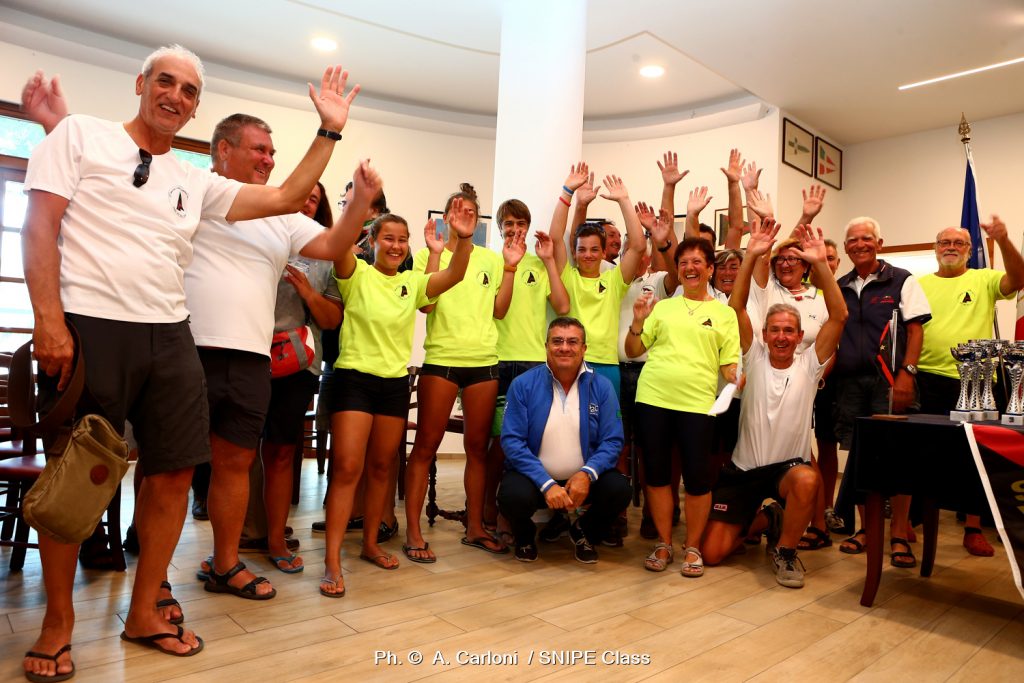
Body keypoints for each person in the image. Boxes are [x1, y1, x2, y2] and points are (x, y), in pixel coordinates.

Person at [21, 46, 355, 678]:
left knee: (175, 472)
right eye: (165, 82)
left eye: (189, 90)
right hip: (92, 325)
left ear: (197, 107)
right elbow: (39, 227)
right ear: (141, 83)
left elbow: (287, 194)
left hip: (171, 334)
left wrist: (329, 130)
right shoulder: (80, 134)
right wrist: (48, 320)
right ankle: (57, 623)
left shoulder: (196, 180)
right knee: (78, 474)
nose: (175, 95)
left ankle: (145, 610)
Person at [319, 178, 478, 595]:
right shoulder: (356, 273)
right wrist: (358, 203)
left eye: (402, 240)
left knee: (381, 469)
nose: (396, 246)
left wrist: (463, 238)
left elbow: (456, 273)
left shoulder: (413, 283)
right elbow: (339, 245)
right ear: (372, 241)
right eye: (388, 238)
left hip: (392, 384)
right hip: (354, 379)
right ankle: (332, 561)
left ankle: (371, 543)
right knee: (348, 468)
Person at [702, 221, 848, 588]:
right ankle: (769, 519)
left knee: (807, 478)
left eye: (789, 331)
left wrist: (821, 265)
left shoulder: (810, 364)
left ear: (799, 336)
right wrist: (752, 254)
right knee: (713, 554)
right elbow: (736, 307)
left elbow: (839, 316)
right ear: (765, 335)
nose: (781, 337)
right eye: (775, 330)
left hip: (787, 470)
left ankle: (785, 551)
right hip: (743, 470)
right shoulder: (753, 356)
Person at [402, 184, 525, 562]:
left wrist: (509, 268)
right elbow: (426, 304)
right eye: (459, 211)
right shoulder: (429, 253)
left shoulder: (490, 259)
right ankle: (413, 531)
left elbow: (500, 310)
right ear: (447, 218)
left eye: (472, 211)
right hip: (442, 360)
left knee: (477, 449)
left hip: (483, 361)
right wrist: (437, 253)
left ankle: (474, 528)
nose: (466, 216)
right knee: (426, 446)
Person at [626, 237, 740, 578]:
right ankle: (664, 543)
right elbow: (633, 350)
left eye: (696, 262)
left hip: (698, 404)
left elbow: (728, 363)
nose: (689, 268)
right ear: (677, 270)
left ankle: (692, 546)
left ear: (710, 269)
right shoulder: (662, 308)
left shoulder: (724, 314)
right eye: (683, 263)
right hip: (653, 398)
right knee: (657, 475)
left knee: (698, 479)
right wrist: (637, 321)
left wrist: (735, 376)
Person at [917, 219, 1024, 556]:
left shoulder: (984, 278)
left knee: (973, 457)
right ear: (935, 248)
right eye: (944, 242)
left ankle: (973, 527)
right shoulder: (917, 284)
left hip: (977, 382)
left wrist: (1003, 240)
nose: (950, 247)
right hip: (925, 378)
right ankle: (911, 521)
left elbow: (1019, 279)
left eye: (958, 243)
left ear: (969, 249)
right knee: (922, 454)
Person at [832, 217, 931, 567]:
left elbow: (915, 331)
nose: (860, 244)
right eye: (853, 240)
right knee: (860, 458)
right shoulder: (840, 285)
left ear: (879, 243)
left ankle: (899, 533)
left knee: (897, 458)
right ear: (846, 248)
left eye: (866, 238)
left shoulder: (902, 279)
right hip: (849, 384)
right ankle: (866, 529)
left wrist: (907, 374)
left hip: (890, 382)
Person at [498, 317, 630, 563]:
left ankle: (583, 531)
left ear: (584, 348)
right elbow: (512, 441)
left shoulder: (601, 386)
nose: (564, 348)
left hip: (583, 481)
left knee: (619, 489)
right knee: (511, 495)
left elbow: (613, 440)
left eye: (572, 342)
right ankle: (525, 536)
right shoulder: (523, 385)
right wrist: (546, 484)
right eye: (557, 341)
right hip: (535, 480)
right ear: (546, 346)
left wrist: (587, 474)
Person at [483, 197, 570, 542]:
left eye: (521, 224)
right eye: (509, 224)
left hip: (535, 363)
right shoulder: (492, 263)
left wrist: (548, 260)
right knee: (500, 442)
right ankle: (490, 511)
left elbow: (562, 306)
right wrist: (510, 265)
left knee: (532, 443)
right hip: (499, 360)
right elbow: (498, 311)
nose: (515, 230)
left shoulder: (538, 263)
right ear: (500, 228)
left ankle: (515, 513)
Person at [551, 172, 646, 398]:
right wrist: (567, 192)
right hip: (572, 363)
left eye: (594, 249)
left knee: (605, 420)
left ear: (604, 253)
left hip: (606, 365)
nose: (588, 255)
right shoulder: (568, 276)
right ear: (574, 253)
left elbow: (638, 246)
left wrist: (624, 200)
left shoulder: (613, 280)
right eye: (582, 249)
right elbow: (555, 238)